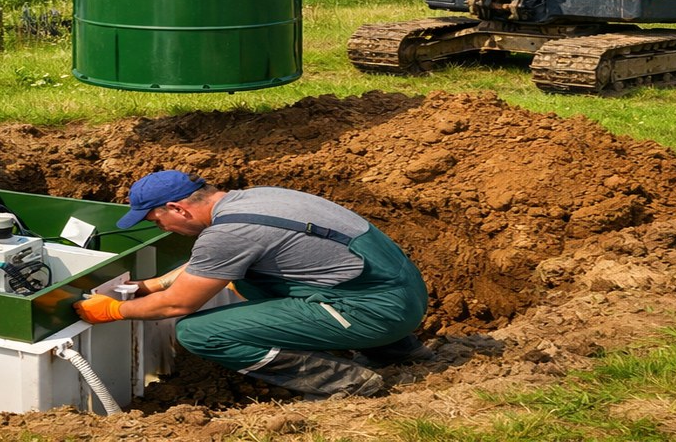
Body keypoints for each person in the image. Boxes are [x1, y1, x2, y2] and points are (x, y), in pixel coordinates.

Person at [74, 170, 429, 399]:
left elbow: (176, 306)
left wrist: (114, 310)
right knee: (251, 280)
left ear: (177, 209)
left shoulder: (229, 234)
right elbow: (212, 264)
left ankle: (342, 382)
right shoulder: (254, 199)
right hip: (402, 293)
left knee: (199, 333)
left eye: (157, 220)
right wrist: (153, 284)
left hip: (376, 313)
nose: (161, 229)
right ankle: (398, 350)